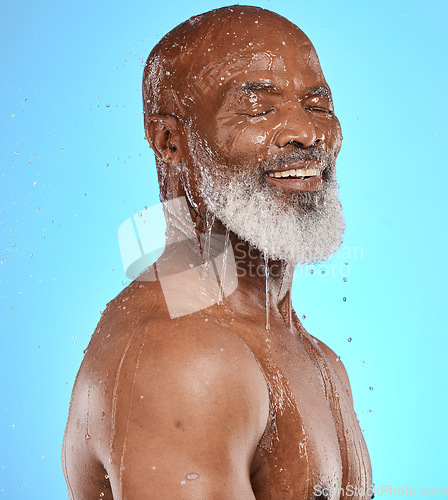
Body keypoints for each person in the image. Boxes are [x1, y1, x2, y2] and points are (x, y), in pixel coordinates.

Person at [62, 5, 372, 499]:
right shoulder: (182, 359)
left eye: (317, 105)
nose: (307, 133)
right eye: (257, 109)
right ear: (169, 141)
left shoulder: (312, 355)